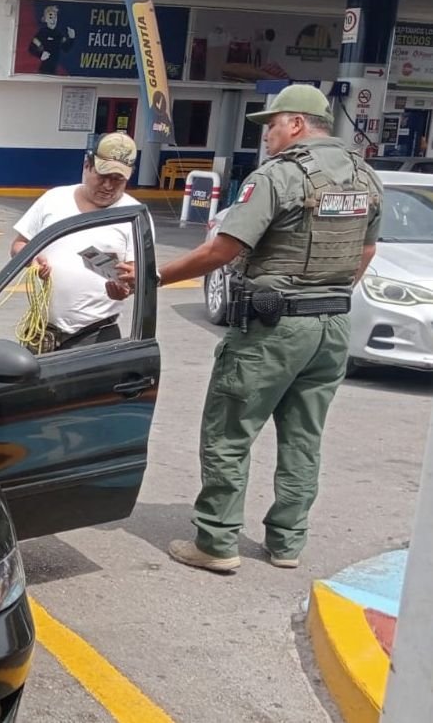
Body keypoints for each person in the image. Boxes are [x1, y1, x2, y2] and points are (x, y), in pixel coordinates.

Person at [114, 84, 383, 573]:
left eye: (272, 124)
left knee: (228, 432)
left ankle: (217, 541)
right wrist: (324, 294)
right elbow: (365, 252)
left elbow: (224, 249)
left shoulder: (279, 176)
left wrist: (153, 276)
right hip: (331, 328)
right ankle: (287, 543)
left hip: (273, 330)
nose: (266, 135)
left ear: (297, 124)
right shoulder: (364, 176)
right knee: (303, 438)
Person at [10, 132, 140, 353]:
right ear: (87, 166)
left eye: (117, 179)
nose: (108, 186)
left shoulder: (133, 215)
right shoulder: (54, 199)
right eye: (102, 175)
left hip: (96, 335)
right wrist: (31, 261)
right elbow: (19, 245)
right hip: (42, 332)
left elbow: (136, 275)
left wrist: (127, 287)